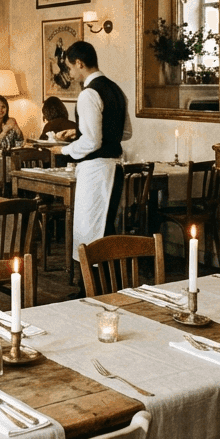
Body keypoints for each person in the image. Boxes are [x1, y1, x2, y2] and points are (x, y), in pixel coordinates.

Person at [56, 41, 127, 279]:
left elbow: (93, 143)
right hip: (115, 169)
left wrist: (64, 150)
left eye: (70, 67)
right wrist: (79, 132)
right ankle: (106, 287)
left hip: (96, 171)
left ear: (79, 63)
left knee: (90, 232)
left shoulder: (89, 93)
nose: (70, 73)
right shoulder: (116, 89)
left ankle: (92, 289)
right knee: (105, 229)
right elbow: (125, 133)